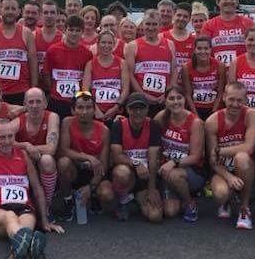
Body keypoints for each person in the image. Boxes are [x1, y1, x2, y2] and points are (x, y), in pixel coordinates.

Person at [0, 121, 63, 259]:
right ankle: (29, 246)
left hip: (24, 207)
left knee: (26, 224)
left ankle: (17, 250)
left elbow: (36, 188)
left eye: (10, 136)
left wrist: (44, 220)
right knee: (10, 216)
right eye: (2, 137)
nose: (7, 141)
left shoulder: (23, 155)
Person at [205, 82, 255, 229]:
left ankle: (244, 208)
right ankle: (226, 202)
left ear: (246, 100)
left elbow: (248, 147)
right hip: (222, 170)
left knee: (241, 157)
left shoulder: (251, 115)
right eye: (231, 99)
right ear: (224, 98)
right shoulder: (212, 121)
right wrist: (229, 177)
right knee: (221, 194)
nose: (235, 104)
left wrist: (219, 151)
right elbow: (213, 161)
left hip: (244, 167)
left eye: (239, 100)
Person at [55, 91, 110, 223]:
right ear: (73, 110)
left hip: (94, 172)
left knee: (107, 194)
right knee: (63, 162)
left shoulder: (104, 130)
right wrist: (88, 157)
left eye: (88, 107)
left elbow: (104, 164)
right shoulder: (67, 122)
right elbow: (63, 150)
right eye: (80, 108)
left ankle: (94, 195)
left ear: (94, 110)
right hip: (75, 169)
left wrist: (91, 187)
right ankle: (68, 201)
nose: (84, 112)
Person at [107, 93, 163, 222]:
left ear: (147, 109)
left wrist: (152, 188)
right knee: (122, 173)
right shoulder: (118, 126)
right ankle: (123, 202)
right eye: (133, 108)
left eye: (141, 108)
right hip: (128, 174)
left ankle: (137, 198)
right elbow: (116, 157)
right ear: (127, 109)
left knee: (155, 217)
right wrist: (136, 164)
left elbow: (153, 160)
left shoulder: (153, 126)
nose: (137, 112)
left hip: (145, 177)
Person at [154, 86, 205, 222]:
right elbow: (155, 146)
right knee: (170, 212)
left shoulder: (195, 123)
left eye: (179, 98)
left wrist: (174, 162)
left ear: (185, 100)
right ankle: (181, 195)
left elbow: (196, 157)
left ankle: (190, 203)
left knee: (175, 174)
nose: (175, 102)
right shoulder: (160, 118)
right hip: (165, 170)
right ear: (165, 101)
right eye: (171, 98)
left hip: (192, 171)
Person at [0, 0, 38, 106]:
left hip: (21, 91)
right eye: (7, 8)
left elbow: (33, 63)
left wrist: (33, 90)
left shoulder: (26, 33)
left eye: (13, 9)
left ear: (19, 11)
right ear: (1, 10)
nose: (10, 12)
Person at [13, 88, 60, 218]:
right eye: (31, 102)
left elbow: (51, 149)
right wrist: (26, 146)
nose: (34, 106)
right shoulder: (19, 119)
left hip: (40, 161)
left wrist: (30, 148)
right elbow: (2, 140)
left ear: (45, 103)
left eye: (38, 102)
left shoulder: (52, 117)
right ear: (25, 104)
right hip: (24, 160)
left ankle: (47, 203)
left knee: (47, 160)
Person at [124, 9, 175, 116]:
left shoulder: (170, 44)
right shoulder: (133, 46)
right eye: (147, 24)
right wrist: (143, 95)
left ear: (160, 25)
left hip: (164, 100)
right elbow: (130, 75)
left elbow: (174, 71)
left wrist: (167, 93)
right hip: (141, 101)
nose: (151, 28)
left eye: (154, 24)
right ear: (143, 25)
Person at [45, 15, 93, 117]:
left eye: (78, 30)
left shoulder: (87, 53)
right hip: (56, 100)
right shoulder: (52, 50)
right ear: (65, 30)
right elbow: (47, 74)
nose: (74, 33)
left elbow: (88, 78)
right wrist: (53, 91)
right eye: (71, 30)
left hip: (77, 102)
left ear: (82, 32)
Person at [83, 30, 129, 124]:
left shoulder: (121, 63)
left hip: (116, 111)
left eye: (109, 43)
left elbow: (125, 89)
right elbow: (85, 89)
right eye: (103, 42)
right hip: (96, 112)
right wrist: (95, 109)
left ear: (114, 44)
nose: (106, 46)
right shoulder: (90, 64)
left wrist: (116, 107)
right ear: (98, 44)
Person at [201, 0, 254, 66]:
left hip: (243, 73)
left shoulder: (248, 23)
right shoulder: (208, 25)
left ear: (237, 2)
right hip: (218, 73)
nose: (229, 1)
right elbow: (203, 52)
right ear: (217, 2)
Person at [182, 35, 225, 120]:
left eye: (206, 48)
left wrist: (213, 114)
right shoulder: (186, 67)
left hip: (214, 107)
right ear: (194, 49)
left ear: (210, 49)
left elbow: (220, 93)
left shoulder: (220, 66)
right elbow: (188, 94)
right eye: (199, 48)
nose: (203, 51)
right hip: (195, 107)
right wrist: (196, 116)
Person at [34, 0, 64, 89]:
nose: (49, 16)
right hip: (36, 86)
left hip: (55, 87)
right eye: (46, 12)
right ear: (40, 14)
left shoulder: (63, 38)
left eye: (52, 12)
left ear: (57, 14)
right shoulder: (32, 36)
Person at [161, 2, 197, 74]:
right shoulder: (161, 37)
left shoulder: (194, 40)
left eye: (185, 16)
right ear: (173, 16)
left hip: (186, 82)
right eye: (179, 15)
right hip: (168, 82)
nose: (181, 19)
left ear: (190, 19)